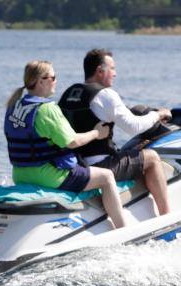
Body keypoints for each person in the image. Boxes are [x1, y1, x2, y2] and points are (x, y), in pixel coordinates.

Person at [5, 60, 130, 229]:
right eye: (53, 77)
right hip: (48, 176)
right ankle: (123, 230)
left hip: (20, 174)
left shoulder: (14, 105)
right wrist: (97, 133)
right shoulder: (47, 109)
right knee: (106, 176)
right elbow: (72, 142)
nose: (56, 81)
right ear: (41, 81)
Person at [58, 48, 172, 216]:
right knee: (152, 157)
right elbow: (134, 127)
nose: (115, 73)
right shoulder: (105, 95)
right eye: (112, 68)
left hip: (77, 166)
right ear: (99, 70)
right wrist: (158, 114)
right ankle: (166, 216)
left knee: (134, 150)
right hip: (100, 165)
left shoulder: (69, 93)